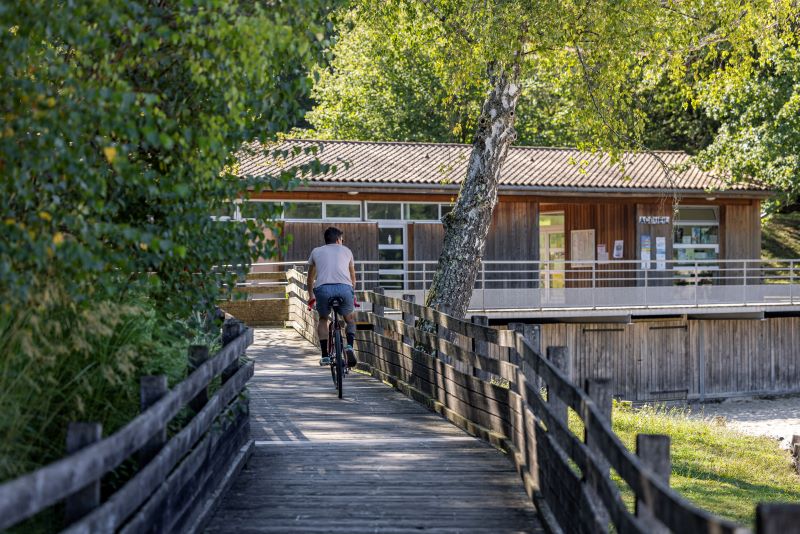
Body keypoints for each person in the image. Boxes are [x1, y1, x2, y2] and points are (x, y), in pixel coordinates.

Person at [306, 226, 358, 367]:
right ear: (338, 240)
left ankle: (324, 356)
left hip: (323, 290)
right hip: (344, 289)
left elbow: (310, 279)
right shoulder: (347, 251)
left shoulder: (316, 251)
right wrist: (352, 294)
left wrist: (311, 296)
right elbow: (353, 277)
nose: (343, 241)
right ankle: (349, 346)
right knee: (350, 320)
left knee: (323, 319)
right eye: (342, 239)